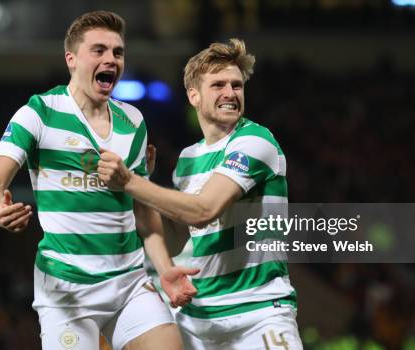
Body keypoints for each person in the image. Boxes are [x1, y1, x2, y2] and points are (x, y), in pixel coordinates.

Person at [0, 11, 198, 350]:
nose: (111, 59)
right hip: (67, 290)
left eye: (117, 52)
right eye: (99, 50)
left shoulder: (133, 121)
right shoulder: (39, 113)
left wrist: (165, 268)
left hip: (129, 284)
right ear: (71, 59)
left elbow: (142, 209)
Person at [98, 39, 303, 349]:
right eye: (218, 84)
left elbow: (205, 209)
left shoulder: (256, 141)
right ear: (193, 95)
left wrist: (129, 181)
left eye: (237, 85)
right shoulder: (188, 159)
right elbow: (178, 237)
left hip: (259, 314)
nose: (231, 93)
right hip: (198, 320)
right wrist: (140, 183)